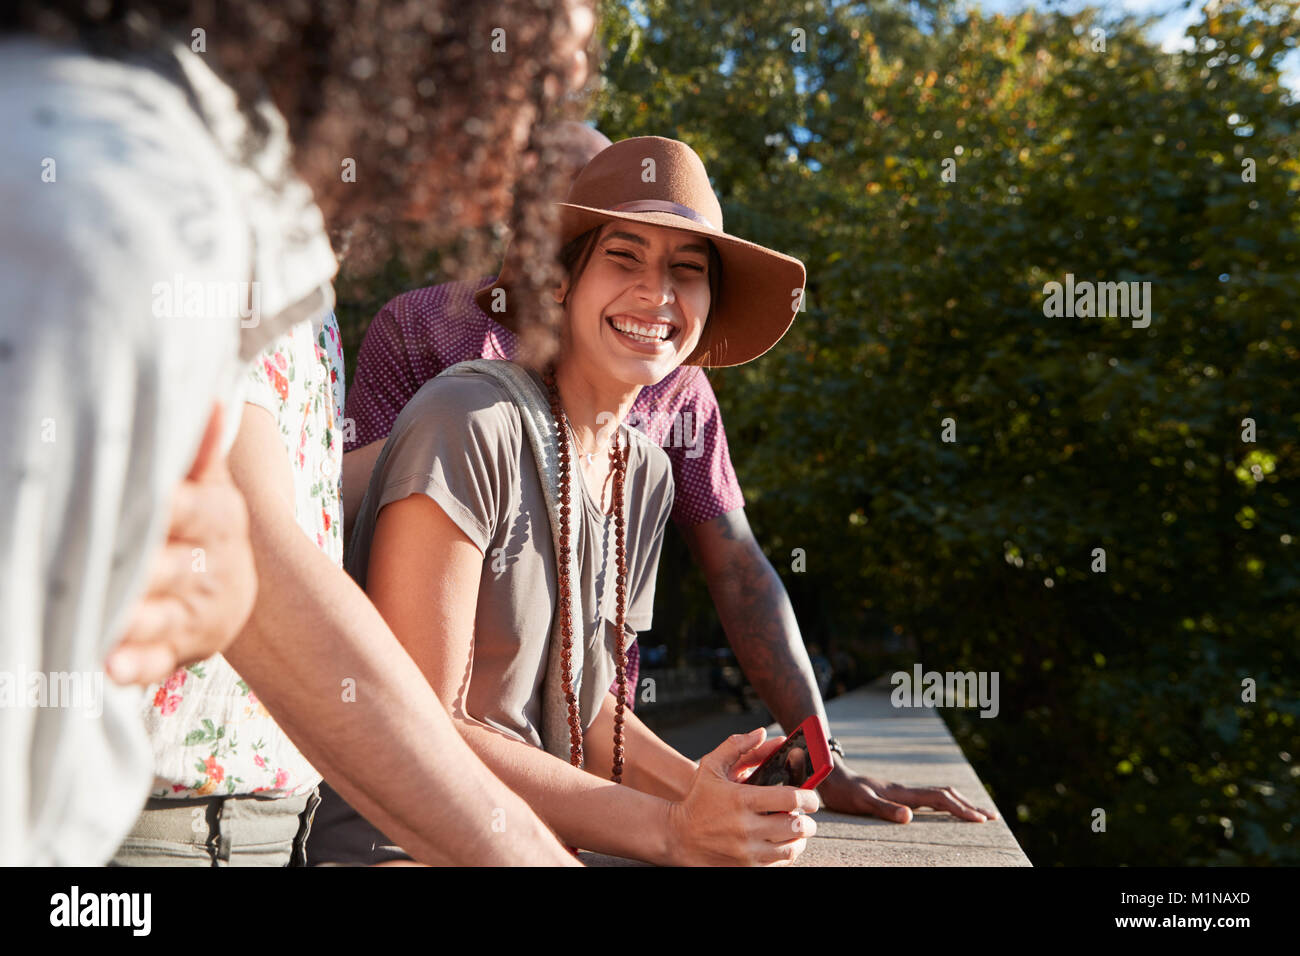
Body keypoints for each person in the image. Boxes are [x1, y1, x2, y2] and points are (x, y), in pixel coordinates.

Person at [2, 0, 592, 866]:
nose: (560, 107)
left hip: (266, 810)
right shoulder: (128, 193)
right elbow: (275, 572)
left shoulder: (273, 234)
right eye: (543, 60)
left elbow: (252, 551)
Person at [342, 127, 1001, 826]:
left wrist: (815, 759)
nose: (652, 290)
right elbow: (349, 508)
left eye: (682, 265)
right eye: (613, 241)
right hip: (439, 791)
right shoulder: (434, 351)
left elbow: (736, 566)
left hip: (586, 773)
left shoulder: (666, 415)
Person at [312, 136, 820, 866]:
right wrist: (672, 831)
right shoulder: (466, 419)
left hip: (544, 838)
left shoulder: (645, 472)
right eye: (624, 257)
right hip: (406, 841)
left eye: (687, 270)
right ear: (555, 279)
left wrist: (717, 803)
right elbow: (429, 727)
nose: (658, 294)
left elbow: (590, 712)